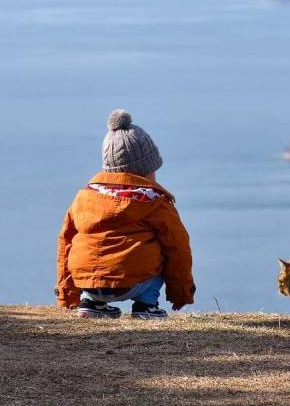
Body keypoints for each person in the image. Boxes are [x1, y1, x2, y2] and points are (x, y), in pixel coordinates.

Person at [55, 109, 195, 319]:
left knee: (86, 246)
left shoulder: (84, 197)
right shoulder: (153, 201)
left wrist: (66, 295)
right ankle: (145, 306)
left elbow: (65, 243)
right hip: (134, 284)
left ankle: (91, 303)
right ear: (145, 170)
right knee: (160, 247)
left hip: (86, 280)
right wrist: (181, 293)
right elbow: (178, 248)